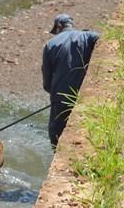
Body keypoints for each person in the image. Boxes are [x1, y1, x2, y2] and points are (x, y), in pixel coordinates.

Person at [41, 14, 100, 147]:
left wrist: (54, 92)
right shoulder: (88, 36)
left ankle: (57, 155)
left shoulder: (50, 45)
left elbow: (46, 82)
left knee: (56, 134)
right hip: (83, 95)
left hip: (60, 97)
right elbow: (104, 39)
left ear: (59, 26)